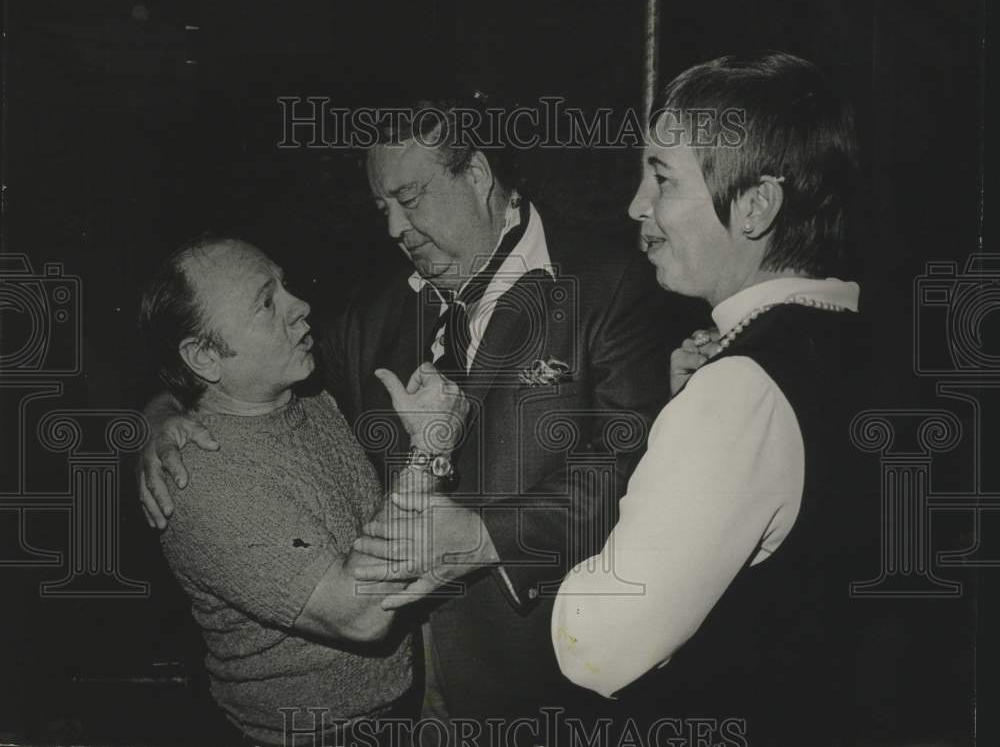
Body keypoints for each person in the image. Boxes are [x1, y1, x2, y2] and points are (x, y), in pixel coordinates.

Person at [138, 96, 700, 728]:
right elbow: (244, 369)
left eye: (411, 197)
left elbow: (636, 466)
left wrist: (489, 537)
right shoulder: (372, 309)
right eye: (382, 208)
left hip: (544, 676)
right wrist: (162, 414)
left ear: (478, 174)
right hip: (403, 691)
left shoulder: (612, 283)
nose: (394, 228)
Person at [551, 52, 872, 744]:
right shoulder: (852, 336)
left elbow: (594, 645)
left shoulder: (738, 391)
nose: (637, 205)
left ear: (755, 206)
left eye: (662, 178)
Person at [138, 236, 466, 747]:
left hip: (396, 709)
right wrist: (428, 448)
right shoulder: (201, 483)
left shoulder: (306, 396)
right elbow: (361, 614)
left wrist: (157, 411)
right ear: (203, 356)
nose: (301, 306)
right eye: (267, 303)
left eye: (285, 285)